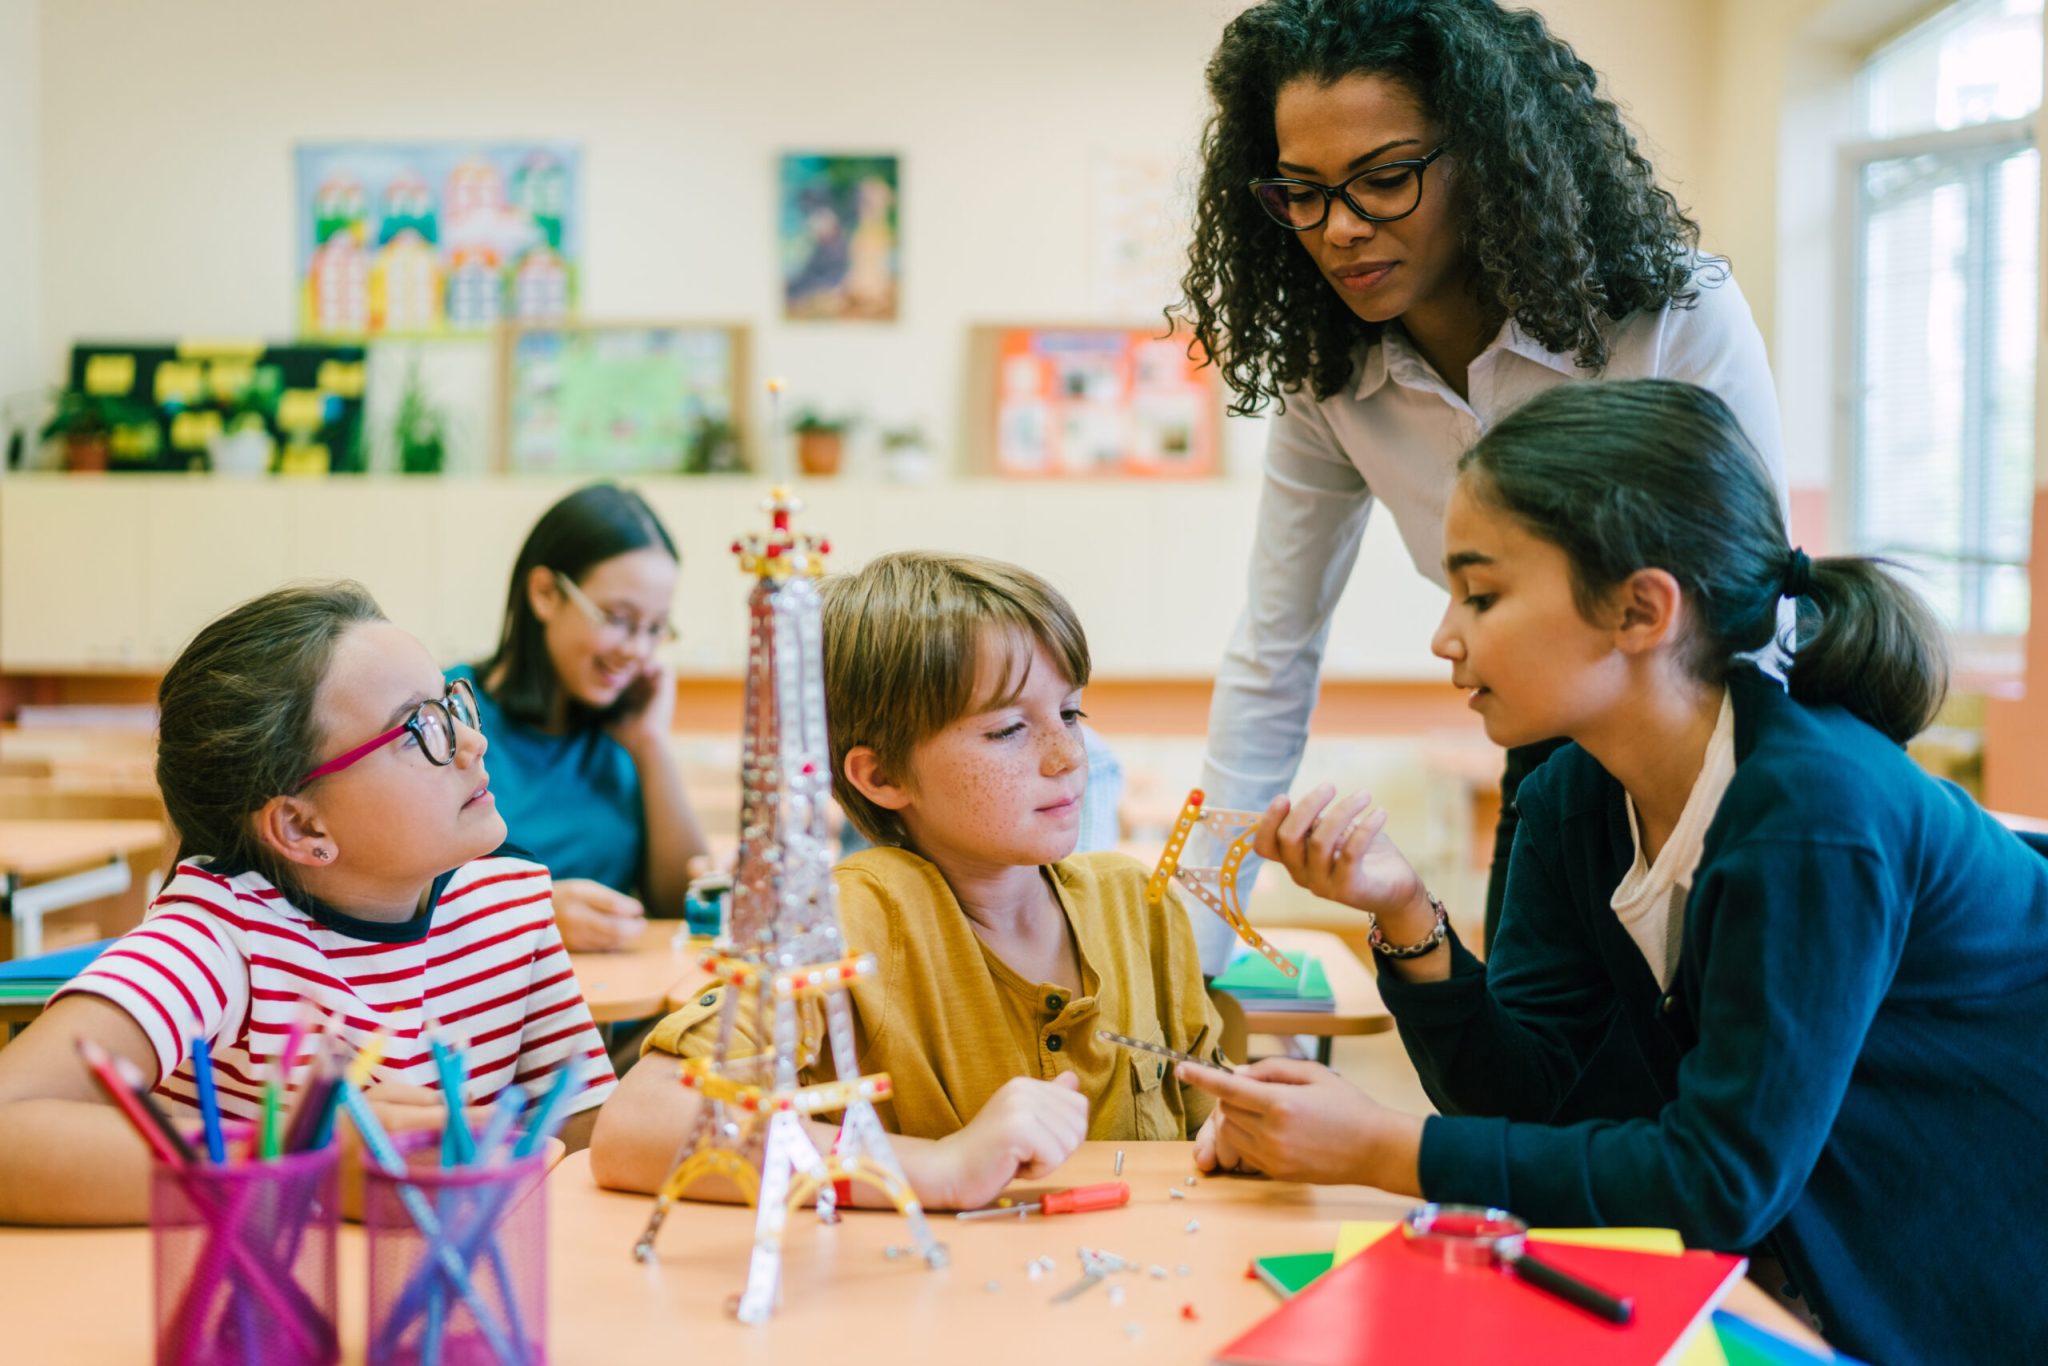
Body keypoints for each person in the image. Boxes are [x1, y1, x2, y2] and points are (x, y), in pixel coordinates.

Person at [1178, 381, 2048, 1365]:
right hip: (1815, 1273)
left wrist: (1377, 1146)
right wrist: (1401, 911)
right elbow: (1530, 1095)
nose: (1444, 636)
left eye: (1481, 592)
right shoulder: (1569, 794)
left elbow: (1716, 1179)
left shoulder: (1812, 811)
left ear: (1640, 608)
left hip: (1970, 1287)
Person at [1177, 0, 1787, 968]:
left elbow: (1759, 612)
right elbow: (1273, 651)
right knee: (1526, 1074)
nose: (1338, 229)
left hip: (1724, 744)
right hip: (1546, 746)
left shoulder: (1668, 314)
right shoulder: (1324, 372)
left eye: (1382, 180)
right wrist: (1189, 944)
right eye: (1300, 191)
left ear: (1486, 157)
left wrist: (1753, 830)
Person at [591, 552, 1228, 1211]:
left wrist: (1251, 1133)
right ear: (882, 777)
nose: (1068, 758)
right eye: (1009, 729)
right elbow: (638, 1125)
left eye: (1071, 715)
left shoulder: (1138, 906)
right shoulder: (850, 917)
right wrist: (939, 1167)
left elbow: (1214, 1126)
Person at [0, 582, 617, 1224]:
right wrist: (298, 1163)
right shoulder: (222, 936)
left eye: (454, 706)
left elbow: (585, 1141)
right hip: (259, 1310)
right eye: (418, 730)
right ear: (301, 827)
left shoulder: (508, 906)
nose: (471, 743)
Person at [454, 483, 711, 952]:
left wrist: (651, 745)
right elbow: (391, 891)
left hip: (613, 1014)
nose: (636, 649)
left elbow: (684, 906)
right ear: (546, 593)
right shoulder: (448, 712)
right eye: (617, 618)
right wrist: (528, 913)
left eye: (655, 628)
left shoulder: (623, 732)